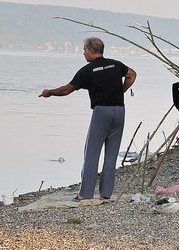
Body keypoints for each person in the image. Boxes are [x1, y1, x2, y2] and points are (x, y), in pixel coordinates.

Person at [39, 37, 137, 200]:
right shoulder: (116, 64)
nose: (83, 53)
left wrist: (49, 92)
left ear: (91, 51)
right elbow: (132, 75)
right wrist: (121, 91)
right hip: (120, 110)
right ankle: (106, 194)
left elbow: (66, 90)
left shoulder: (87, 70)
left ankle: (85, 194)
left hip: (102, 112)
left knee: (92, 152)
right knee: (112, 153)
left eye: (84, 50)